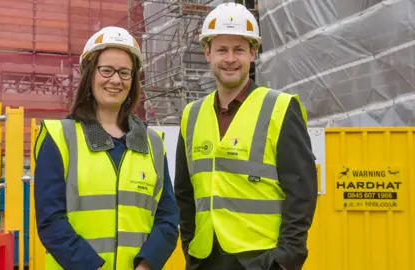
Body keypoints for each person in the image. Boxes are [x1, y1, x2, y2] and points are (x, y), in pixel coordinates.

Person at [174, 3, 318, 270]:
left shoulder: (281, 108)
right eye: (222, 50)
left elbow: (302, 192)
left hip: (262, 259)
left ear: (253, 53)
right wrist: (190, 246)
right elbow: (184, 192)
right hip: (205, 258)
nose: (230, 58)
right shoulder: (191, 115)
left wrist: (286, 259)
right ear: (207, 53)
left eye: (239, 49)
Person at [33, 26, 180, 270]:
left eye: (125, 73)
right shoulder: (60, 137)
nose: (115, 80)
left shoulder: (153, 143)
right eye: (106, 70)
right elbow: (50, 220)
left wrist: (145, 265)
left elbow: (167, 218)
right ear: (90, 74)